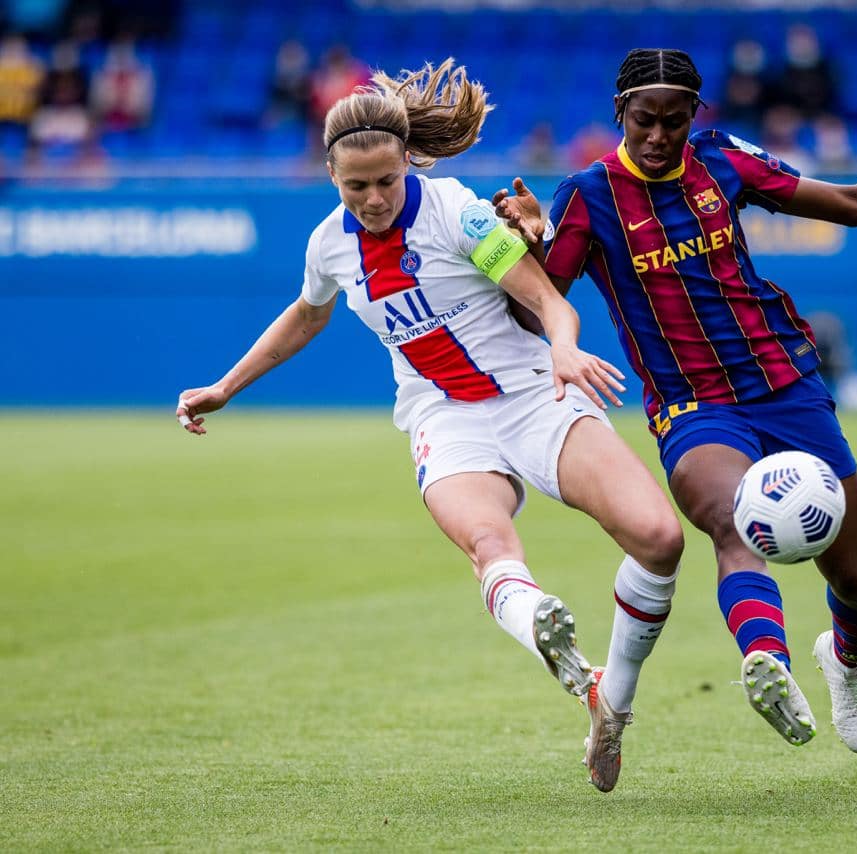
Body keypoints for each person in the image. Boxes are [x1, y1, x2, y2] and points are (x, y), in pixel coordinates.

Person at [494, 48, 857, 754]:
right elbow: (533, 314)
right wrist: (529, 245)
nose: (658, 137)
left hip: (784, 384)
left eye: (674, 123)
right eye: (644, 121)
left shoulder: (723, 161)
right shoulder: (587, 197)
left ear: (696, 118)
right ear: (619, 113)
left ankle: (844, 660)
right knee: (731, 519)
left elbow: (848, 204)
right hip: (692, 406)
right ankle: (766, 659)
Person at [174, 59, 683, 794]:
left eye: (387, 180)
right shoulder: (328, 245)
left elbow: (546, 301)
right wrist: (226, 385)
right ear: (330, 175)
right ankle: (546, 629)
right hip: (445, 418)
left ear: (407, 160)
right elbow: (307, 314)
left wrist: (567, 347)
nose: (375, 198)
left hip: (534, 394)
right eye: (357, 186)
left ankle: (613, 699)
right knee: (488, 541)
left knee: (660, 539)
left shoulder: (460, 213)